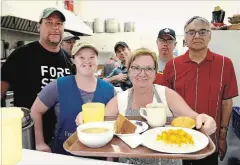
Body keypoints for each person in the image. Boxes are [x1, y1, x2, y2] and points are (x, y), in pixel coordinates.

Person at [76, 48, 217, 165]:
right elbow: (100, 126)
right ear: (129, 71)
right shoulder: (119, 100)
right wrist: (85, 119)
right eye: (136, 68)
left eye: (148, 68)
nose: (142, 74)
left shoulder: (167, 95)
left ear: (156, 73)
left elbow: (194, 117)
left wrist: (204, 120)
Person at [164, 16, 239, 165]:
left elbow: (226, 102)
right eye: (191, 32)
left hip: (211, 138)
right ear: (185, 37)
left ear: (210, 35)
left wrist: (222, 136)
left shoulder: (225, 64)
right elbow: (166, 103)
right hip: (179, 137)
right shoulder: (172, 66)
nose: (197, 36)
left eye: (202, 31)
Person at [1, 7, 74, 144]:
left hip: (61, 135)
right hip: (29, 135)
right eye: (49, 22)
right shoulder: (22, 55)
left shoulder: (69, 59)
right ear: (38, 27)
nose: (55, 27)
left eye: (59, 24)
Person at [31, 41, 115, 155]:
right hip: (64, 153)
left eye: (91, 57)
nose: (87, 61)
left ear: (97, 59)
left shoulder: (109, 89)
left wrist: (110, 157)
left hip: (100, 154)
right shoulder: (58, 86)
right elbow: (35, 111)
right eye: (81, 57)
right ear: (73, 60)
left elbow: (114, 123)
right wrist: (39, 142)